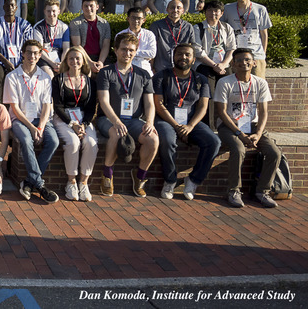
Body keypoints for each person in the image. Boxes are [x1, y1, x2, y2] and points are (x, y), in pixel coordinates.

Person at [214, 48, 284, 208]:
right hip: (229, 126)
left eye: (247, 60)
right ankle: (234, 191)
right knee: (239, 149)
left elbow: (263, 111)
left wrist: (258, 134)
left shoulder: (260, 83)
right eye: (238, 60)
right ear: (233, 64)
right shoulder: (224, 82)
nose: (243, 63)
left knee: (274, 153)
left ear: (254, 63)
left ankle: (262, 191)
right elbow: (222, 112)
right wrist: (239, 134)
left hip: (253, 126)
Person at [152, 43, 220, 200]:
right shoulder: (161, 77)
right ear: (173, 57)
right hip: (166, 120)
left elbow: (203, 106)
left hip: (191, 122)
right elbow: (159, 104)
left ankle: (194, 180)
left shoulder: (200, 79)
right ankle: (170, 180)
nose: (183, 57)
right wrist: (176, 126)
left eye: (187, 55)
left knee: (213, 141)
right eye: (179, 54)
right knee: (168, 140)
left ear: (193, 59)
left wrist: (190, 126)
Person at [95, 33, 157, 198]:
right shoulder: (106, 72)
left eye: (131, 50)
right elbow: (103, 101)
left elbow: (150, 103)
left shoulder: (144, 75)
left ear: (136, 51)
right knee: (116, 133)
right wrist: (116, 121)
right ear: (116, 50)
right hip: (107, 119)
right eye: (123, 49)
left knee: (153, 139)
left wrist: (150, 122)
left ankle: (140, 177)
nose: (127, 53)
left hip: (134, 120)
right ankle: (107, 175)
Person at [4, 40, 60, 203]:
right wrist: (31, 127)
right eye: (29, 52)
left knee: (54, 141)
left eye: (36, 53)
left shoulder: (44, 77)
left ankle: (29, 181)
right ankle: (40, 185)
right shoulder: (12, 76)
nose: (32, 56)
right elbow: (14, 108)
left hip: (41, 119)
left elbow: (46, 106)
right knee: (26, 140)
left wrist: (41, 127)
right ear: (22, 53)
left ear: (40, 55)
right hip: (20, 119)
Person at [52, 46, 98, 202]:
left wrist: (84, 124)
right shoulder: (58, 80)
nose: (74, 61)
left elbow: (91, 108)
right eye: (71, 58)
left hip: (83, 119)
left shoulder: (90, 82)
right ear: (66, 61)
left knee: (91, 142)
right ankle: (71, 181)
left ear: (83, 60)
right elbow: (57, 106)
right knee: (72, 142)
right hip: (63, 118)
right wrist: (72, 124)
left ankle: (83, 182)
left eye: (78, 58)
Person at [0, 0, 35, 102]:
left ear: (16, 8)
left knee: (20, 75)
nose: (10, 8)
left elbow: (28, 48)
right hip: (0, 59)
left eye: (12, 5)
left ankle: (17, 106)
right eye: (7, 5)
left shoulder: (25, 25)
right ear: (3, 7)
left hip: (20, 60)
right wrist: (6, 62)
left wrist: (21, 62)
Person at [222, 0, 271, 77]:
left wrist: (263, 54)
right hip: (235, 53)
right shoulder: (227, 8)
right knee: (236, 85)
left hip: (256, 54)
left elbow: (264, 34)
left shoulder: (260, 9)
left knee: (257, 84)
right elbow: (223, 31)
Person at [194, 0, 236, 92]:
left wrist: (224, 64)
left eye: (216, 10)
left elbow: (231, 48)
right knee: (208, 92)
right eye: (209, 10)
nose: (213, 13)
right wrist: (214, 65)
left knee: (228, 90)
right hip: (205, 64)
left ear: (222, 13)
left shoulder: (227, 27)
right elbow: (198, 51)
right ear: (205, 12)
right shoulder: (198, 28)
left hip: (223, 65)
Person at [149, 0, 195, 74]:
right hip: (161, 68)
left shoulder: (188, 27)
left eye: (178, 8)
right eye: (172, 7)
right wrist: (151, 68)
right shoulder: (156, 26)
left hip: (181, 68)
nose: (175, 10)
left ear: (183, 11)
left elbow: (192, 48)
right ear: (167, 9)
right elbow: (152, 48)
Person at [68, 0, 110, 74]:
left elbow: (106, 45)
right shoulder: (75, 23)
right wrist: (90, 63)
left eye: (91, 6)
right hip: (83, 57)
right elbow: (77, 45)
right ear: (82, 7)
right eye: (86, 6)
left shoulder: (104, 23)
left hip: (100, 57)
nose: (88, 9)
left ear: (97, 7)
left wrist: (100, 62)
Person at [32, 0, 69, 76]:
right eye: (48, 11)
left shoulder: (64, 27)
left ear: (58, 11)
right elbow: (39, 50)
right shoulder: (38, 27)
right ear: (44, 12)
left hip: (60, 58)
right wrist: (52, 64)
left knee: (65, 76)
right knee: (49, 76)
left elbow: (66, 48)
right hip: (44, 58)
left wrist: (61, 63)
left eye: (54, 11)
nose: (51, 14)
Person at [115, 7, 157, 74]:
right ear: (128, 19)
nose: (136, 21)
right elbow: (118, 53)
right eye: (133, 18)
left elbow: (152, 53)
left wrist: (132, 53)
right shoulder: (120, 35)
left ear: (144, 20)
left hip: (144, 68)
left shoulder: (149, 34)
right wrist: (144, 55)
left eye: (139, 18)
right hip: (125, 68)